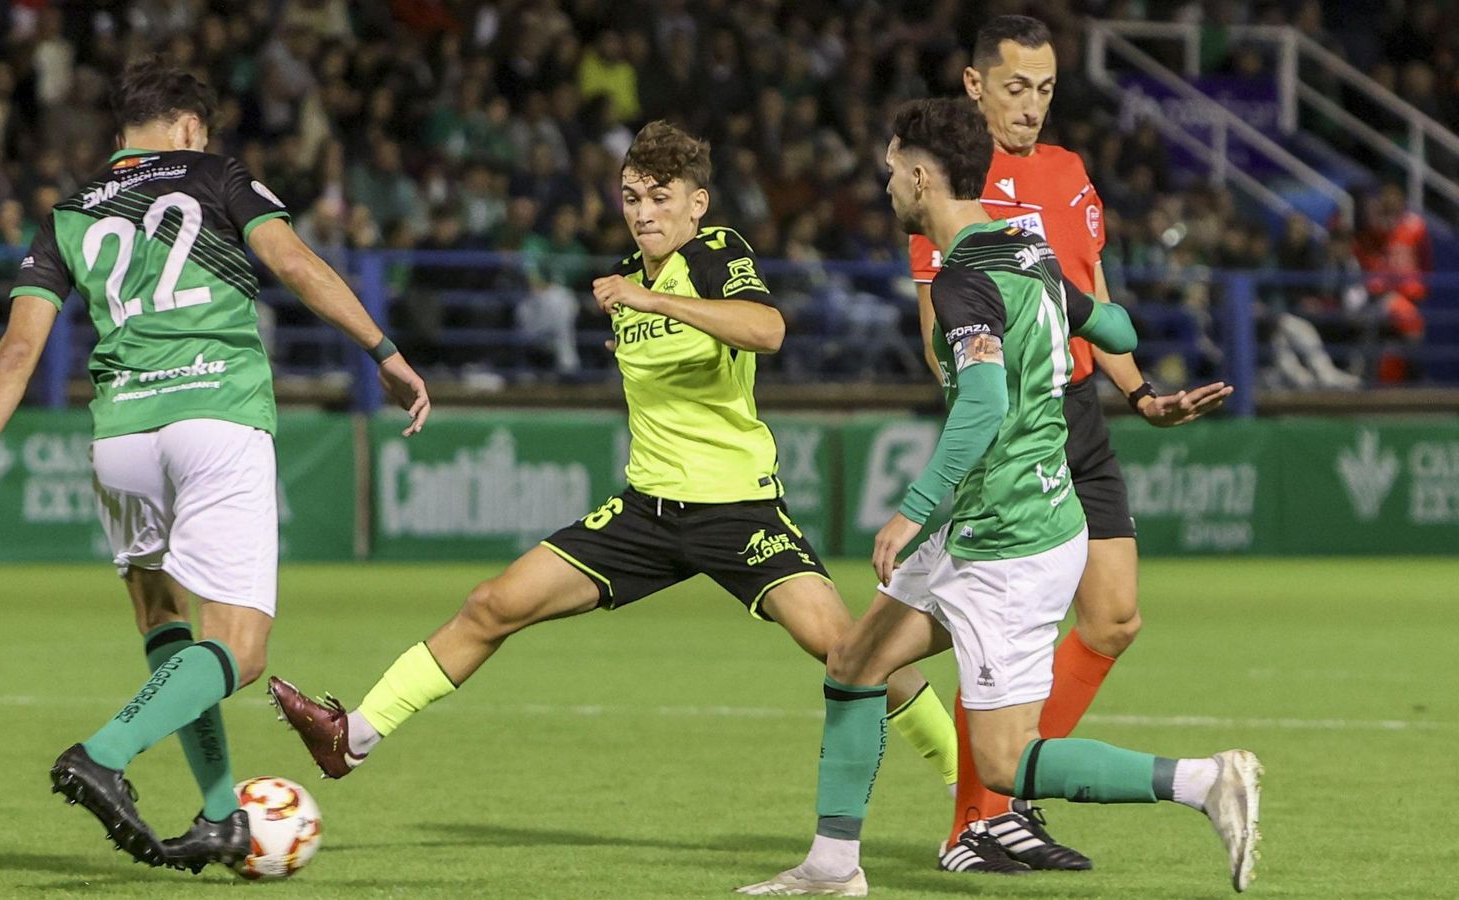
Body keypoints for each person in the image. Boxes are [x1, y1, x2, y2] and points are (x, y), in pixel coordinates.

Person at [268, 120, 959, 807]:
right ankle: (353, 735)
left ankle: (979, 795)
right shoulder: (626, 279)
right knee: (491, 605)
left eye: (661, 197)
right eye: (632, 197)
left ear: (698, 204)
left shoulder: (714, 253)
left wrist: (653, 302)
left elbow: (768, 329)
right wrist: (639, 315)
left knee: (851, 651)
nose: (643, 212)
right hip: (645, 513)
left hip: (736, 509)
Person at [740, 96, 1263, 900]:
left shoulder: (961, 284)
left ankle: (1204, 780)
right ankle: (832, 866)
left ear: (921, 177)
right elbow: (1116, 329)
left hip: (1012, 545)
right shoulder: (1028, 252)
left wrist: (912, 506)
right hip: (982, 523)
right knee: (854, 664)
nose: (884, 187)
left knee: (1004, 762)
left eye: (889, 173)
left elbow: (980, 405)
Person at [0, 57, 431, 872]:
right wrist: (383, 349)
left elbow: (20, 345)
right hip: (214, 419)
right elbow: (295, 263)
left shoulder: (67, 213)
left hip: (121, 437)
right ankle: (103, 754)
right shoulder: (217, 175)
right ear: (192, 127)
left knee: (166, 622)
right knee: (242, 647)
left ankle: (222, 812)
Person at [907, 16, 1234, 872]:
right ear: (975, 85)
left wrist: (1141, 391)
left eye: (1046, 89)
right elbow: (935, 330)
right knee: (977, 638)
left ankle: (999, 803)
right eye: (1016, 86)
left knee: (1115, 618)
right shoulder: (948, 182)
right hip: (1016, 425)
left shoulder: (1066, 172)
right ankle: (975, 819)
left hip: (1080, 408)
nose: (1032, 106)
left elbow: (1092, 291)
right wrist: (985, 409)